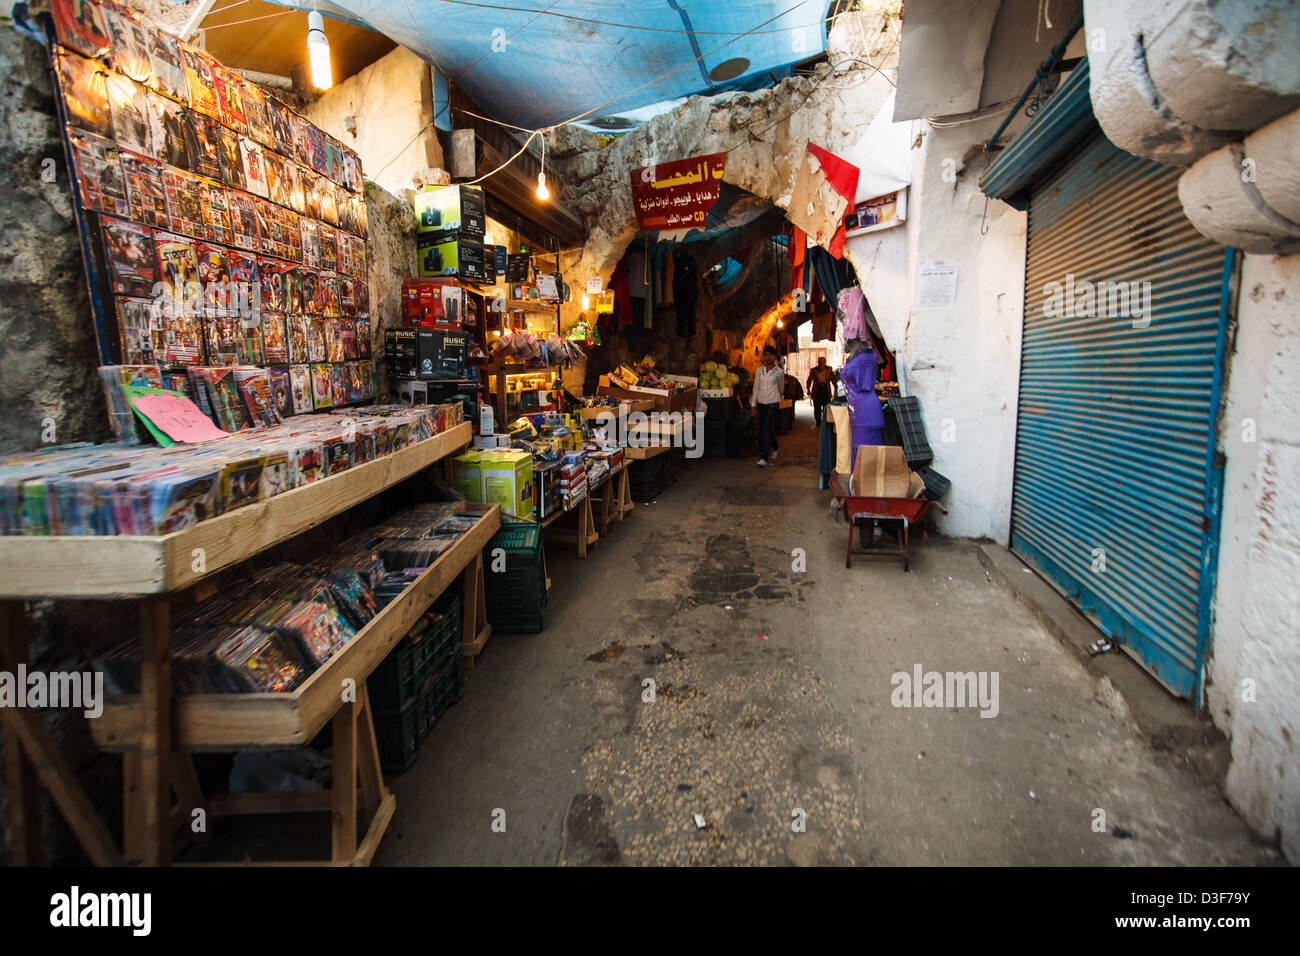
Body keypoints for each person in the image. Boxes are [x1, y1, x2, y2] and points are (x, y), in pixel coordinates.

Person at [840, 337, 886, 467]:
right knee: (860, 455)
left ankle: (867, 485)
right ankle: (860, 485)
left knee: (867, 459)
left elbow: (863, 384)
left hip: (866, 412)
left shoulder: (866, 357)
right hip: (858, 411)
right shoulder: (856, 358)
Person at [753, 345, 784, 467]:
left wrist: (777, 398)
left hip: (772, 403)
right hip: (761, 402)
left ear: (775, 357)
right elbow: (756, 388)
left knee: (766, 428)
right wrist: (753, 405)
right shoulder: (759, 370)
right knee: (765, 429)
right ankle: (776, 447)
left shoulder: (779, 372)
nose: (768, 357)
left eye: (770, 354)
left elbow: (781, 388)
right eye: (765, 354)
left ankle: (764, 458)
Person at [805, 356, 838, 429]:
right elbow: (809, 380)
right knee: (817, 407)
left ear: (825, 362)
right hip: (817, 390)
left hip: (826, 390)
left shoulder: (829, 369)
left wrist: (836, 386)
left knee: (826, 406)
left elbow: (833, 379)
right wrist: (808, 389)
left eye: (823, 362)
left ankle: (825, 420)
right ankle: (818, 421)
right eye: (820, 362)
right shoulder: (814, 370)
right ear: (818, 362)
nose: (822, 363)